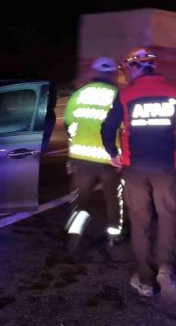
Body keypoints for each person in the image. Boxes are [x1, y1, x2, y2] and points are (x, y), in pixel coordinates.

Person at [100, 47, 176, 300]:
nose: (125, 75)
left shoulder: (126, 96)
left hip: (135, 168)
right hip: (167, 167)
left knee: (140, 221)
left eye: (127, 70)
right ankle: (166, 269)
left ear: (137, 68)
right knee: (168, 216)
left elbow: (107, 128)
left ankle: (145, 280)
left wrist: (113, 152)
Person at [64, 57, 125, 250]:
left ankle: (75, 232)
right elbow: (124, 127)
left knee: (80, 198)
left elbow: (68, 123)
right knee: (113, 198)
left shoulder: (79, 94)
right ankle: (113, 235)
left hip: (82, 157)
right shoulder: (118, 95)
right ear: (113, 74)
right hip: (109, 158)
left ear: (94, 73)